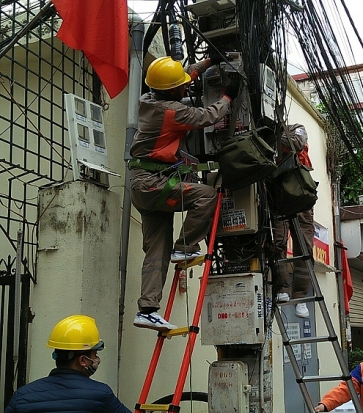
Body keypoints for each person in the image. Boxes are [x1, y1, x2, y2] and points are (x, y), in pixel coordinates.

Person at [129, 55, 239, 331]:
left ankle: (147, 309)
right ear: (172, 90)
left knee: (156, 250)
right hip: (153, 184)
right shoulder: (173, 111)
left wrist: (206, 62)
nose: (185, 86)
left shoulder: (149, 99)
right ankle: (186, 246)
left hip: (144, 186)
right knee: (205, 196)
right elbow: (207, 116)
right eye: (181, 85)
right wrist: (228, 96)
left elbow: (182, 77)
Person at [5, 315, 131, 413]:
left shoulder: (22, 396)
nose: (97, 359)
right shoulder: (101, 394)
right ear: (82, 361)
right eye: (95, 355)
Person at [273, 124, 315, 318]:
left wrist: (273, 136)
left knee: (304, 246)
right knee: (278, 242)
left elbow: (296, 143)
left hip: (299, 193)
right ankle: (282, 288)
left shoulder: (297, 128)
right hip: (278, 195)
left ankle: (300, 296)